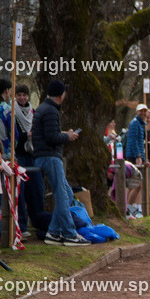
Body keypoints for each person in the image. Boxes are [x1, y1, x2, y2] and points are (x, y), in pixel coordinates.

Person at [31, 79, 90, 246]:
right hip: (50, 157)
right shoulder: (50, 110)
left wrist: (63, 132)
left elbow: (47, 133)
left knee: (68, 194)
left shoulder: (45, 108)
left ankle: (54, 232)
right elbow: (51, 137)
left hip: (45, 155)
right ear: (61, 95)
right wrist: (68, 137)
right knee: (62, 195)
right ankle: (70, 234)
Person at [12, 84, 43, 235]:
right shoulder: (12, 113)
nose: (22, 98)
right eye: (19, 95)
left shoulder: (34, 113)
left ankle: (38, 221)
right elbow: (13, 134)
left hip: (32, 154)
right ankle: (22, 225)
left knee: (36, 188)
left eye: (24, 95)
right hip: (19, 155)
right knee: (21, 190)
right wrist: (25, 136)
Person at [123, 103, 148, 218]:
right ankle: (126, 208)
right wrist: (138, 155)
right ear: (137, 112)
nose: (143, 113)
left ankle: (129, 207)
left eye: (145, 111)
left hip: (139, 156)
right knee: (134, 184)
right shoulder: (134, 124)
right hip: (133, 157)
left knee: (138, 185)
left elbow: (140, 142)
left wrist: (143, 157)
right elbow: (133, 141)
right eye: (141, 111)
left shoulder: (142, 124)